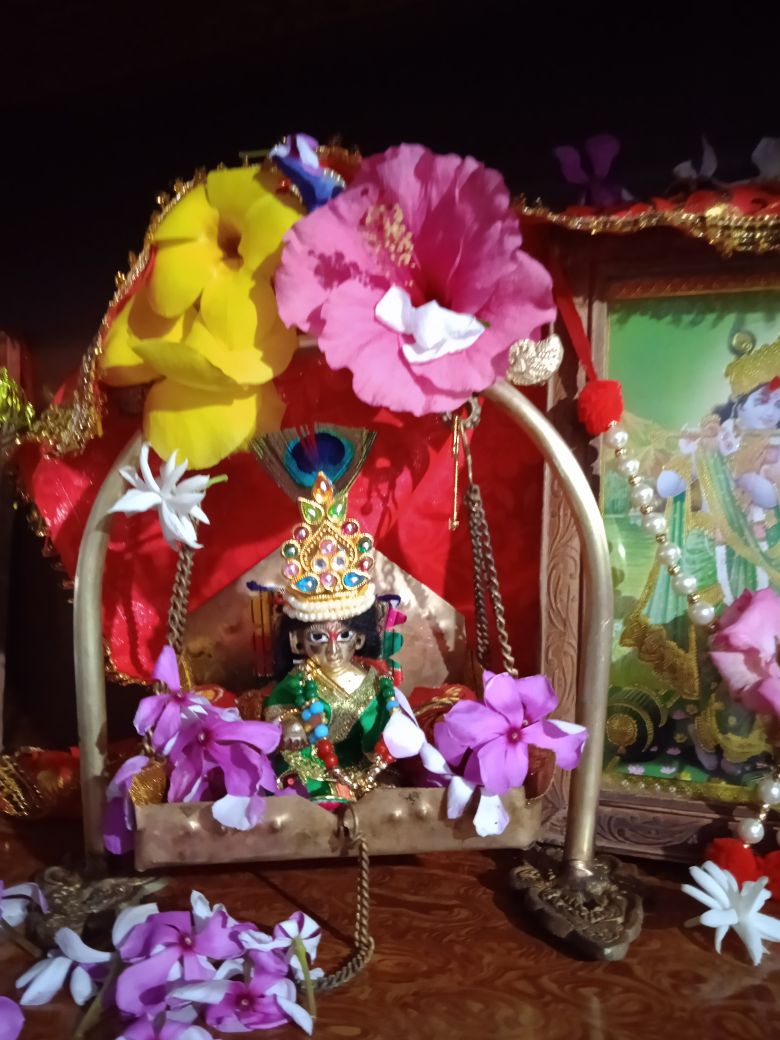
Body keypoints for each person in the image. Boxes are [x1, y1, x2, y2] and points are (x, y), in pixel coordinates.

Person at [261, 472, 399, 802]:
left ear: (360, 639)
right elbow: (275, 711)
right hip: (312, 770)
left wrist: (391, 736)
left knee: (391, 799)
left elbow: (385, 726)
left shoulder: (375, 681)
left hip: (368, 769)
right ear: (298, 642)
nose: (334, 648)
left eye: (345, 635)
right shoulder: (300, 682)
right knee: (310, 799)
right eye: (320, 638)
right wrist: (291, 725)